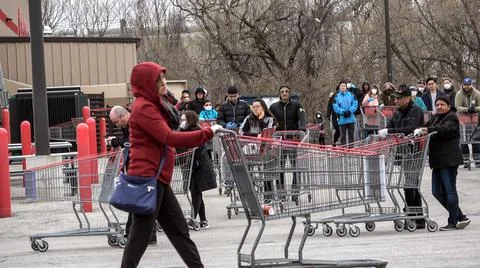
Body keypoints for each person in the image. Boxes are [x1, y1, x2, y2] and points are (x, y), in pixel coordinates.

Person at [121, 62, 222, 268]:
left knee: (179, 231)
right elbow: (169, 137)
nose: (164, 82)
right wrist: (207, 133)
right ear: (147, 83)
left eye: (163, 78)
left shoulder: (155, 104)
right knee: (139, 238)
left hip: (159, 179)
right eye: (159, 79)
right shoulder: (144, 108)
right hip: (148, 179)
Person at [414, 96, 471, 231]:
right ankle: (461, 216)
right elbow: (425, 126)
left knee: (449, 191)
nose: (439, 106)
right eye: (437, 104)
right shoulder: (435, 117)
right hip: (438, 161)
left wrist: (426, 130)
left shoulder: (451, 118)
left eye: (442, 104)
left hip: (449, 160)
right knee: (436, 192)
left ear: (448, 106)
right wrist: (417, 130)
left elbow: (444, 129)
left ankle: (452, 221)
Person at [109, 106, 159, 245]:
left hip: (145, 168)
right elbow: (128, 141)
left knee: (142, 202)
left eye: (117, 122)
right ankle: (136, 233)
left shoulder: (138, 122)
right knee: (138, 201)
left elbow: (134, 142)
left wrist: (119, 142)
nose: (117, 125)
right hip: (135, 167)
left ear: (123, 116)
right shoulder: (126, 125)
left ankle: (144, 234)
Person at [378, 84, 425, 229]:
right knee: (407, 185)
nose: (396, 101)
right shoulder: (398, 112)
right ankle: (412, 215)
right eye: (394, 98)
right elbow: (392, 125)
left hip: (415, 151)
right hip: (402, 151)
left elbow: (410, 129)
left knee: (411, 184)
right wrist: (385, 133)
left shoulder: (416, 111)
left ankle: (416, 217)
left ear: (407, 98)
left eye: (398, 99)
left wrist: (389, 131)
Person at [179, 111, 217, 230]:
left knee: (196, 192)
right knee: (196, 192)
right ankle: (203, 220)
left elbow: (198, 149)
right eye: (181, 120)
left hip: (199, 166)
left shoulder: (198, 131)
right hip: (190, 166)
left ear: (190, 120)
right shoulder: (182, 132)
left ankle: (194, 218)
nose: (182, 122)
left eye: (184, 120)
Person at [270, 85, 307, 201]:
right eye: (282, 92)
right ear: (279, 94)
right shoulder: (273, 107)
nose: (284, 93)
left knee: (295, 167)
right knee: (279, 168)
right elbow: (270, 120)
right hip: (279, 141)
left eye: (287, 91)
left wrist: (301, 129)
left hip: (293, 140)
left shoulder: (297, 105)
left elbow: (302, 118)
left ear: (289, 93)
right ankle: (281, 192)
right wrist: (271, 130)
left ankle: (295, 192)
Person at [455, 77, 480, 168]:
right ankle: (465, 161)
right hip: (463, 117)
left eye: (468, 85)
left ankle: (477, 161)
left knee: (476, 140)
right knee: (464, 141)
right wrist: (467, 109)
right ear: (463, 85)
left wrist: (475, 109)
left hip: (474, 117)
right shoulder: (459, 94)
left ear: (471, 85)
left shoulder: (477, 93)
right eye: (465, 85)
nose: (466, 87)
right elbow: (457, 107)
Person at [332, 81, 358, 145]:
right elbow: (335, 107)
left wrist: (349, 111)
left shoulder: (352, 94)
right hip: (342, 119)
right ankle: (343, 150)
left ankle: (351, 148)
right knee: (342, 136)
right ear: (339, 87)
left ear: (346, 87)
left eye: (344, 86)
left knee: (351, 136)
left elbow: (355, 104)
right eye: (341, 86)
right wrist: (343, 112)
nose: (343, 87)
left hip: (351, 118)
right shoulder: (336, 96)